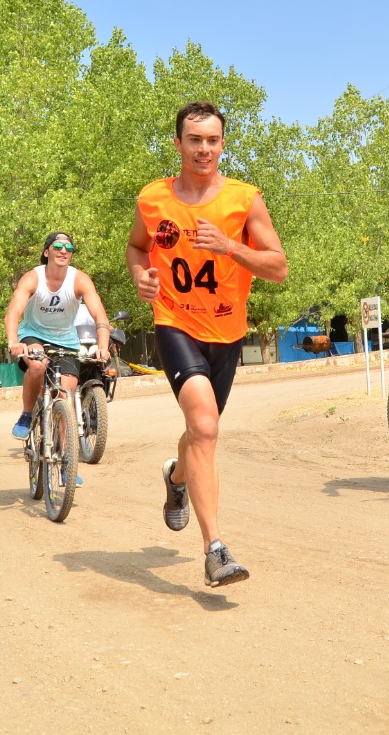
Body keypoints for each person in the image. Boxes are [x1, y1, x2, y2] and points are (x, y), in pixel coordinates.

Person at [126, 101, 287, 588]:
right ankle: (215, 549)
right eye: (194, 140)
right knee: (204, 426)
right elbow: (137, 247)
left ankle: (177, 477)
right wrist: (141, 276)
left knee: (202, 434)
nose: (204, 149)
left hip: (227, 333)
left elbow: (278, 267)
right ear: (178, 143)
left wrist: (230, 247)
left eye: (212, 140)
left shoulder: (244, 200)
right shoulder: (153, 198)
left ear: (222, 145)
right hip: (175, 322)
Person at [4, 233, 111, 469]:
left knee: (66, 395)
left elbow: (99, 315)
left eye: (69, 247)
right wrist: (14, 341)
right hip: (33, 335)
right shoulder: (33, 278)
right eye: (58, 246)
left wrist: (103, 346)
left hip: (66, 341)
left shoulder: (79, 280)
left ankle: (66, 462)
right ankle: (26, 414)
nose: (64, 250)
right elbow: (13, 312)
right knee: (38, 364)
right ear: (47, 252)